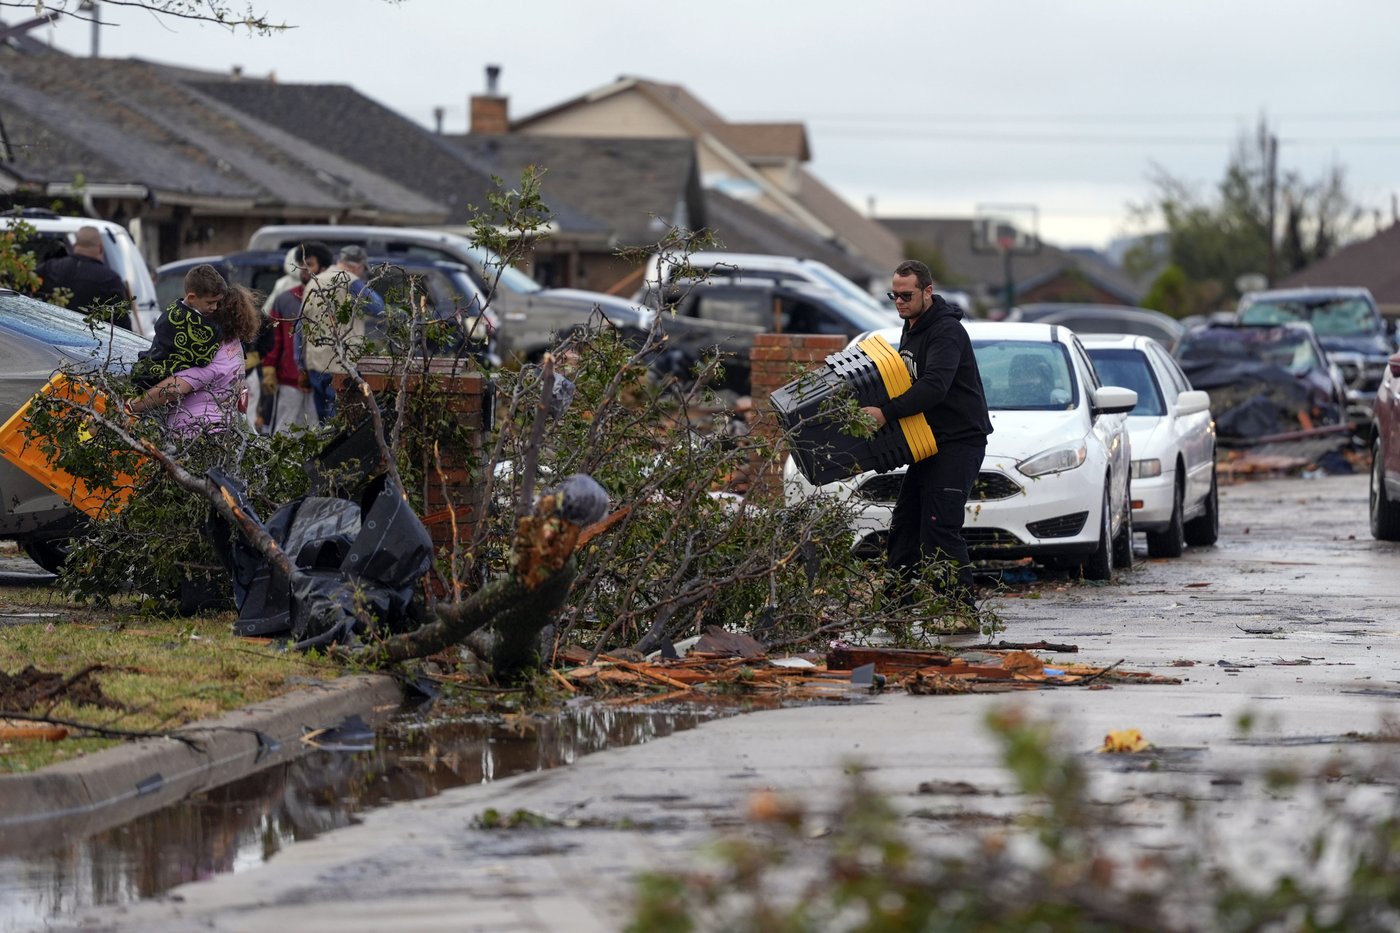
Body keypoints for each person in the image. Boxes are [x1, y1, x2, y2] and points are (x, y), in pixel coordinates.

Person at [861, 260, 992, 611]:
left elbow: (934, 386)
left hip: (959, 441)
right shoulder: (912, 327)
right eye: (894, 295)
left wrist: (886, 412)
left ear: (927, 291)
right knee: (905, 525)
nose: (899, 302)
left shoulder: (946, 331)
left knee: (940, 526)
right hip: (928, 442)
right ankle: (897, 606)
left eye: (906, 295)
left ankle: (959, 611)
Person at [127, 281, 262, 437]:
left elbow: (174, 388)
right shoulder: (234, 345)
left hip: (195, 434)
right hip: (219, 430)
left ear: (216, 314)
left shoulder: (213, 353)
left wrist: (133, 405)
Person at [298, 244, 385, 420]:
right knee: (339, 421)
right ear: (358, 266)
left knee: (323, 421)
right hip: (341, 365)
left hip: (315, 363)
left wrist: (301, 365)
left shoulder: (314, 281)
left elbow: (301, 327)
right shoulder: (351, 282)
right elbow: (378, 308)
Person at [265, 241, 333, 433]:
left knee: (317, 433)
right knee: (284, 432)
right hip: (289, 380)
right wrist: (269, 366)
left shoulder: (333, 299)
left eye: (309, 264)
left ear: (323, 268)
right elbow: (275, 339)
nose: (303, 269)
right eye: (301, 264)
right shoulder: (285, 299)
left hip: (322, 381)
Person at [131, 264, 227, 392]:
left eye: (217, 302)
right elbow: (203, 357)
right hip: (155, 379)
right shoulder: (181, 319)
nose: (214, 307)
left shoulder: (177, 309)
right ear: (192, 298)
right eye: (210, 302)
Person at [35, 225, 133, 329]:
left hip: (48, 333)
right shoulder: (110, 280)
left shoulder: (49, 268)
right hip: (92, 337)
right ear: (101, 248)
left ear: (75, 245)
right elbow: (123, 326)